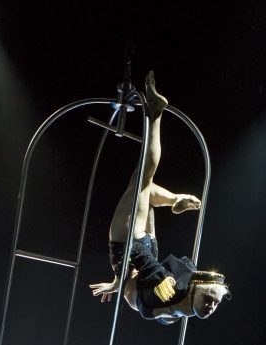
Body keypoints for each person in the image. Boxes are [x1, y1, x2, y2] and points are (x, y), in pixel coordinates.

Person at [89, 72, 229, 323]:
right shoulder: (174, 296)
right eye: (210, 300)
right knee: (143, 179)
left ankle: (174, 199)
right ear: (196, 290)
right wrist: (118, 281)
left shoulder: (178, 299)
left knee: (144, 186)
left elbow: (151, 305)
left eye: (214, 304)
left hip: (142, 253)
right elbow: (141, 271)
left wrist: (117, 282)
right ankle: (155, 115)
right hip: (132, 249)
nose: (211, 307)